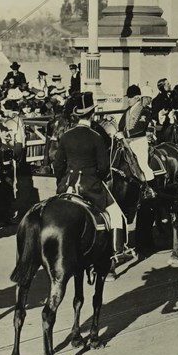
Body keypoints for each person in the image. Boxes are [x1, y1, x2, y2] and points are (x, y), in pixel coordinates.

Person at [54, 92, 131, 260]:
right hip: (90, 186)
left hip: (67, 184)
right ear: (92, 114)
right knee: (117, 214)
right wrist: (98, 177)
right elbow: (104, 168)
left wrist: (62, 181)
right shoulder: (96, 137)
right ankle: (117, 252)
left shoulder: (66, 136)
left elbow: (57, 165)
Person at [117, 85, 159, 198]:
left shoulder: (144, 111)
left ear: (136, 98)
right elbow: (121, 125)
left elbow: (140, 129)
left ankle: (153, 189)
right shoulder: (127, 111)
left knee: (143, 164)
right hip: (126, 142)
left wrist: (124, 134)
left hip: (139, 142)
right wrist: (118, 132)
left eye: (130, 98)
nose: (128, 100)